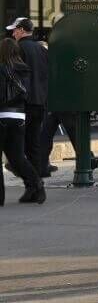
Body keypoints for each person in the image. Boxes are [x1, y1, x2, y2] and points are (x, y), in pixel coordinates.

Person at [0, 37, 45, 206]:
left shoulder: (1, 69)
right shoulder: (24, 69)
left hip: (2, 116)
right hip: (19, 117)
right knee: (18, 157)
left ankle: (0, 197)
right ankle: (37, 184)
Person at [8, 18, 48, 179]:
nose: (13, 33)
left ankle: (23, 172)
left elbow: (13, 76)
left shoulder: (17, 49)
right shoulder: (42, 50)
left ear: (22, 30)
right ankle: (36, 180)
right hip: (39, 101)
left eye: (15, 30)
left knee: (17, 142)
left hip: (22, 103)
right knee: (34, 143)